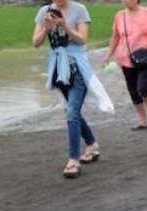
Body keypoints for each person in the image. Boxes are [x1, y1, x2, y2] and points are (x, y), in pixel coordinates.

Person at [33, 0, 112, 178]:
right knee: (72, 111)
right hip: (58, 69)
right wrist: (47, 27)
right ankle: (92, 144)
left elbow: (82, 39)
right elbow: (35, 43)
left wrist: (63, 25)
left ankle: (73, 159)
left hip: (77, 67)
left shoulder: (79, 9)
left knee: (71, 113)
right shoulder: (44, 11)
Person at [104, 0, 147, 132]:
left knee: (143, 88)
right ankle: (143, 120)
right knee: (133, 91)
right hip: (126, 59)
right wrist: (109, 55)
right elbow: (115, 36)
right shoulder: (119, 16)